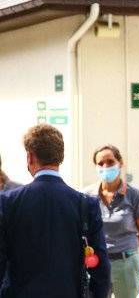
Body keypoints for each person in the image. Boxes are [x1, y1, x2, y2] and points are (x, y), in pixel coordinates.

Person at [0, 124, 110, 297]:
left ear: (30, 157)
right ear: (61, 157)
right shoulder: (85, 204)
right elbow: (101, 268)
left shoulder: (8, 202)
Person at [83, 144, 139, 298]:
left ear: (120, 163)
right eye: (100, 163)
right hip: (96, 264)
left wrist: (124, 249)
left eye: (110, 162)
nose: (105, 167)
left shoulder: (135, 195)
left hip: (126, 264)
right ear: (95, 167)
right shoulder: (86, 196)